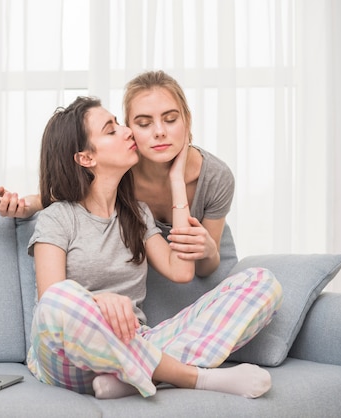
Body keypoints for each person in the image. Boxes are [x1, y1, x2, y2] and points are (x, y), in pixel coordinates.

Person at [26, 95, 283, 399]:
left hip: (137, 340)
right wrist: (99, 303)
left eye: (120, 124)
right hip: (66, 357)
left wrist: (177, 180)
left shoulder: (137, 213)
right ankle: (192, 377)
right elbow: (50, 300)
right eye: (111, 130)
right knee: (59, 298)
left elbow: (181, 270)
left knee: (262, 283)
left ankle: (129, 376)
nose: (127, 132)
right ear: (86, 158)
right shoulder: (57, 218)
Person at [0, 70, 233, 278]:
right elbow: (73, 191)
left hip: (140, 328)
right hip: (86, 326)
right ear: (132, 127)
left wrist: (176, 181)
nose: (159, 132)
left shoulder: (143, 210)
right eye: (143, 124)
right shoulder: (118, 172)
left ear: (187, 121)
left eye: (170, 119)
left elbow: (189, 272)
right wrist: (28, 207)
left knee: (261, 282)